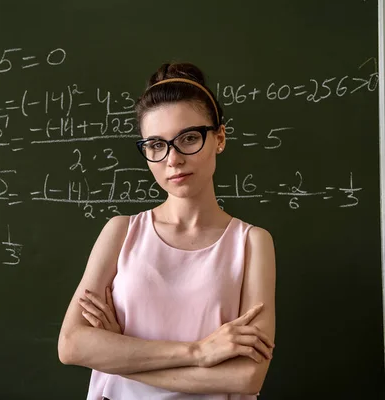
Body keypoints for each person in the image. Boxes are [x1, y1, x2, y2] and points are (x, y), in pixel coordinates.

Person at [57, 62, 276, 400]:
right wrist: (199, 353)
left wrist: (121, 354)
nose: (172, 159)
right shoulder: (120, 232)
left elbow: (246, 377)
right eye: (156, 145)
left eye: (188, 138)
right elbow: (71, 345)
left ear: (219, 138)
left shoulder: (251, 244)